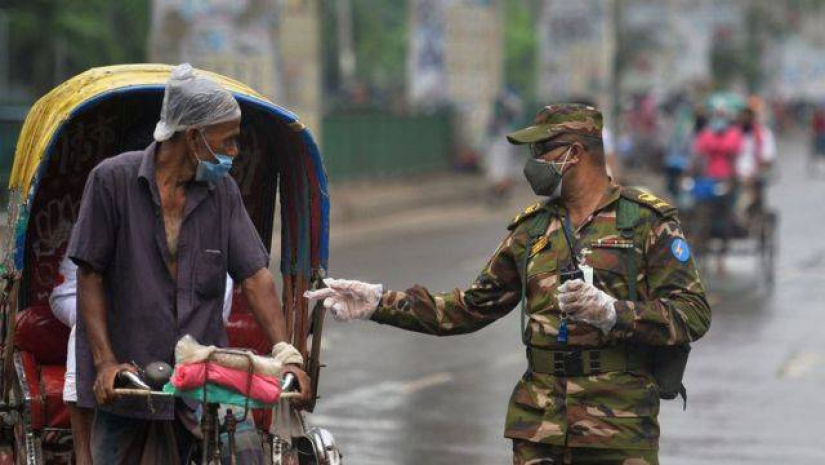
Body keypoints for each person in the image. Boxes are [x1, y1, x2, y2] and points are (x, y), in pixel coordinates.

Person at [308, 104, 711, 464]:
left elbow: (692, 313)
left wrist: (612, 312)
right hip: (539, 426)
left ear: (575, 153)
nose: (533, 163)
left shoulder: (644, 223)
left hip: (618, 427)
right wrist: (379, 303)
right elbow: (470, 307)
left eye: (542, 151)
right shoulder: (532, 229)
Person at [66, 63, 311, 464]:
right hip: (131, 378)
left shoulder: (222, 192)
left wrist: (286, 355)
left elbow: (254, 276)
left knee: (247, 454)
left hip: (203, 379)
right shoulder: (112, 181)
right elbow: (89, 275)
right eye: (228, 140)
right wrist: (105, 362)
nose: (234, 152)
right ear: (195, 137)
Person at [49, 257, 250, 464]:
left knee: (238, 430)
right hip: (120, 356)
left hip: (191, 356)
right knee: (83, 330)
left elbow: (222, 306)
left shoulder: (213, 246)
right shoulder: (103, 243)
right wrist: (108, 324)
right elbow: (67, 293)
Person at [693, 106, 743, 275]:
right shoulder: (706, 134)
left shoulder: (733, 134)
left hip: (727, 181)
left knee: (726, 219)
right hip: (708, 182)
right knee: (699, 216)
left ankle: (721, 259)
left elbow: (731, 150)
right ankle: (699, 254)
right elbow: (700, 151)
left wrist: (715, 147)